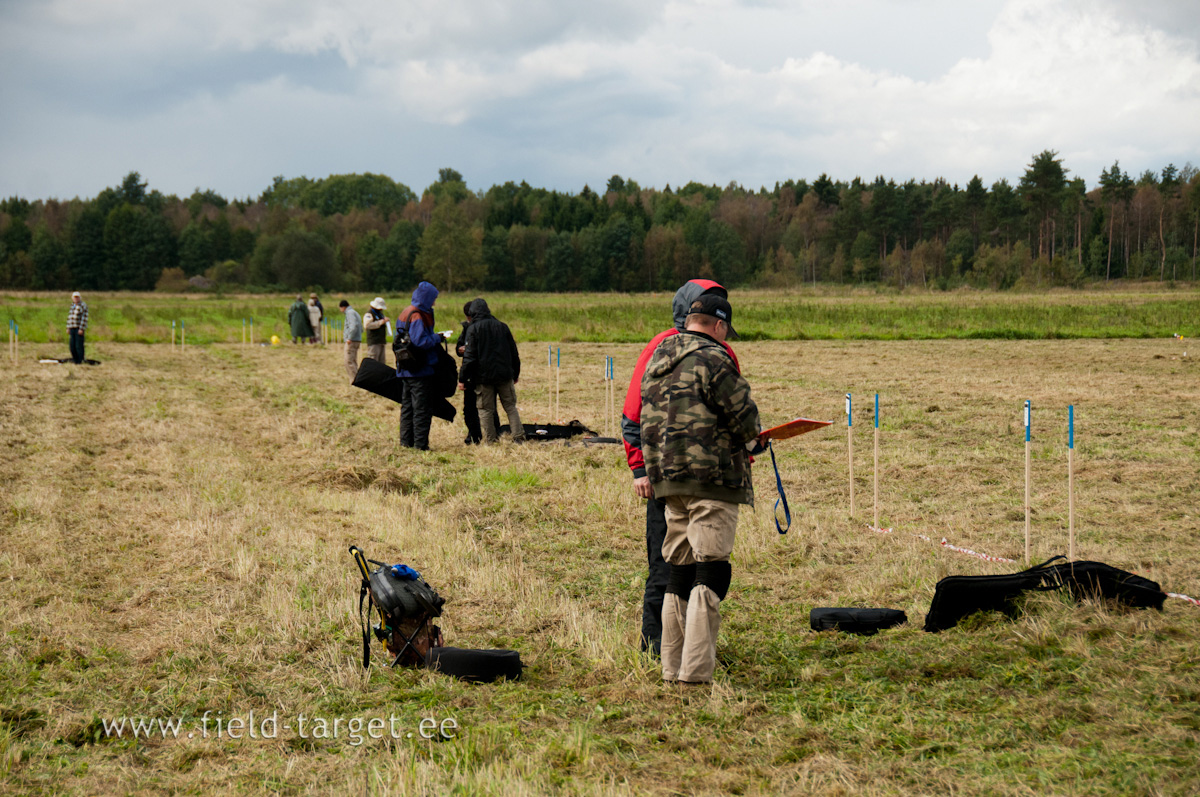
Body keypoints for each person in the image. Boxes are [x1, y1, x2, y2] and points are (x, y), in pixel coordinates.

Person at [640, 294, 758, 685]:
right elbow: (744, 415)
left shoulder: (657, 359)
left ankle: (671, 667)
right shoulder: (715, 358)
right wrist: (756, 441)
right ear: (719, 326)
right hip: (712, 480)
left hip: (668, 481)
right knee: (711, 574)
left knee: (679, 574)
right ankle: (695, 673)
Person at [621, 279, 735, 657]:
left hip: (710, 479)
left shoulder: (723, 352)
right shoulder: (660, 347)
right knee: (667, 564)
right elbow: (632, 416)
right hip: (664, 477)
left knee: (710, 566)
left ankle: (693, 647)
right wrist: (639, 469)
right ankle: (656, 648)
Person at [457, 298, 524, 444]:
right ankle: (518, 437)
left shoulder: (473, 329)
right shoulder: (502, 326)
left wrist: (462, 378)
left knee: (485, 409)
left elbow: (469, 357)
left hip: (483, 378)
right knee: (510, 407)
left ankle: (491, 440)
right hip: (504, 375)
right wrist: (515, 373)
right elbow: (514, 352)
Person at [396, 282, 442, 450]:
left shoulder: (405, 312)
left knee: (407, 408)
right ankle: (421, 445)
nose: (434, 302)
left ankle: (405, 443)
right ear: (426, 298)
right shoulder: (417, 315)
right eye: (433, 299)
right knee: (421, 409)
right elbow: (420, 341)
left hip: (405, 368)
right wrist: (438, 338)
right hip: (420, 370)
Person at [455, 302, 495, 445]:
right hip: (473, 373)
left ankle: (494, 434)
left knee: (487, 407)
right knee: (471, 408)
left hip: (482, 373)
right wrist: (460, 349)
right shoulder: (467, 328)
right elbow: (459, 347)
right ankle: (474, 434)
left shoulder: (489, 325)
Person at [340, 299, 362, 382]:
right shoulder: (355, 312)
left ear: (343, 307)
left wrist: (349, 337)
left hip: (352, 341)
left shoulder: (350, 313)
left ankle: (354, 380)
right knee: (353, 360)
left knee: (348, 361)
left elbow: (353, 326)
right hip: (357, 339)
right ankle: (356, 379)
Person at [363, 298, 388, 364]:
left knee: (382, 362)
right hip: (374, 342)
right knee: (373, 361)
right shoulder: (369, 314)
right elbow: (367, 325)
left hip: (381, 341)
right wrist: (380, 322)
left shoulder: (380, 314)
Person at [67, 291, 88, 364]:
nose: (76, 299)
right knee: (72, 346)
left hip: (78, 328)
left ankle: (80, 360)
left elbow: (84, 318)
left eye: (77, 297)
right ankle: (75, 359)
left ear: (80, 298)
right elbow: (70, 317)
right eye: (74, 297)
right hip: (72, 327)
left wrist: (81, 328)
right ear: (72, 298)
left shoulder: (83, 305)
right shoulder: (72, 305)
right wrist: (68, 327)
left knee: (78, 345)